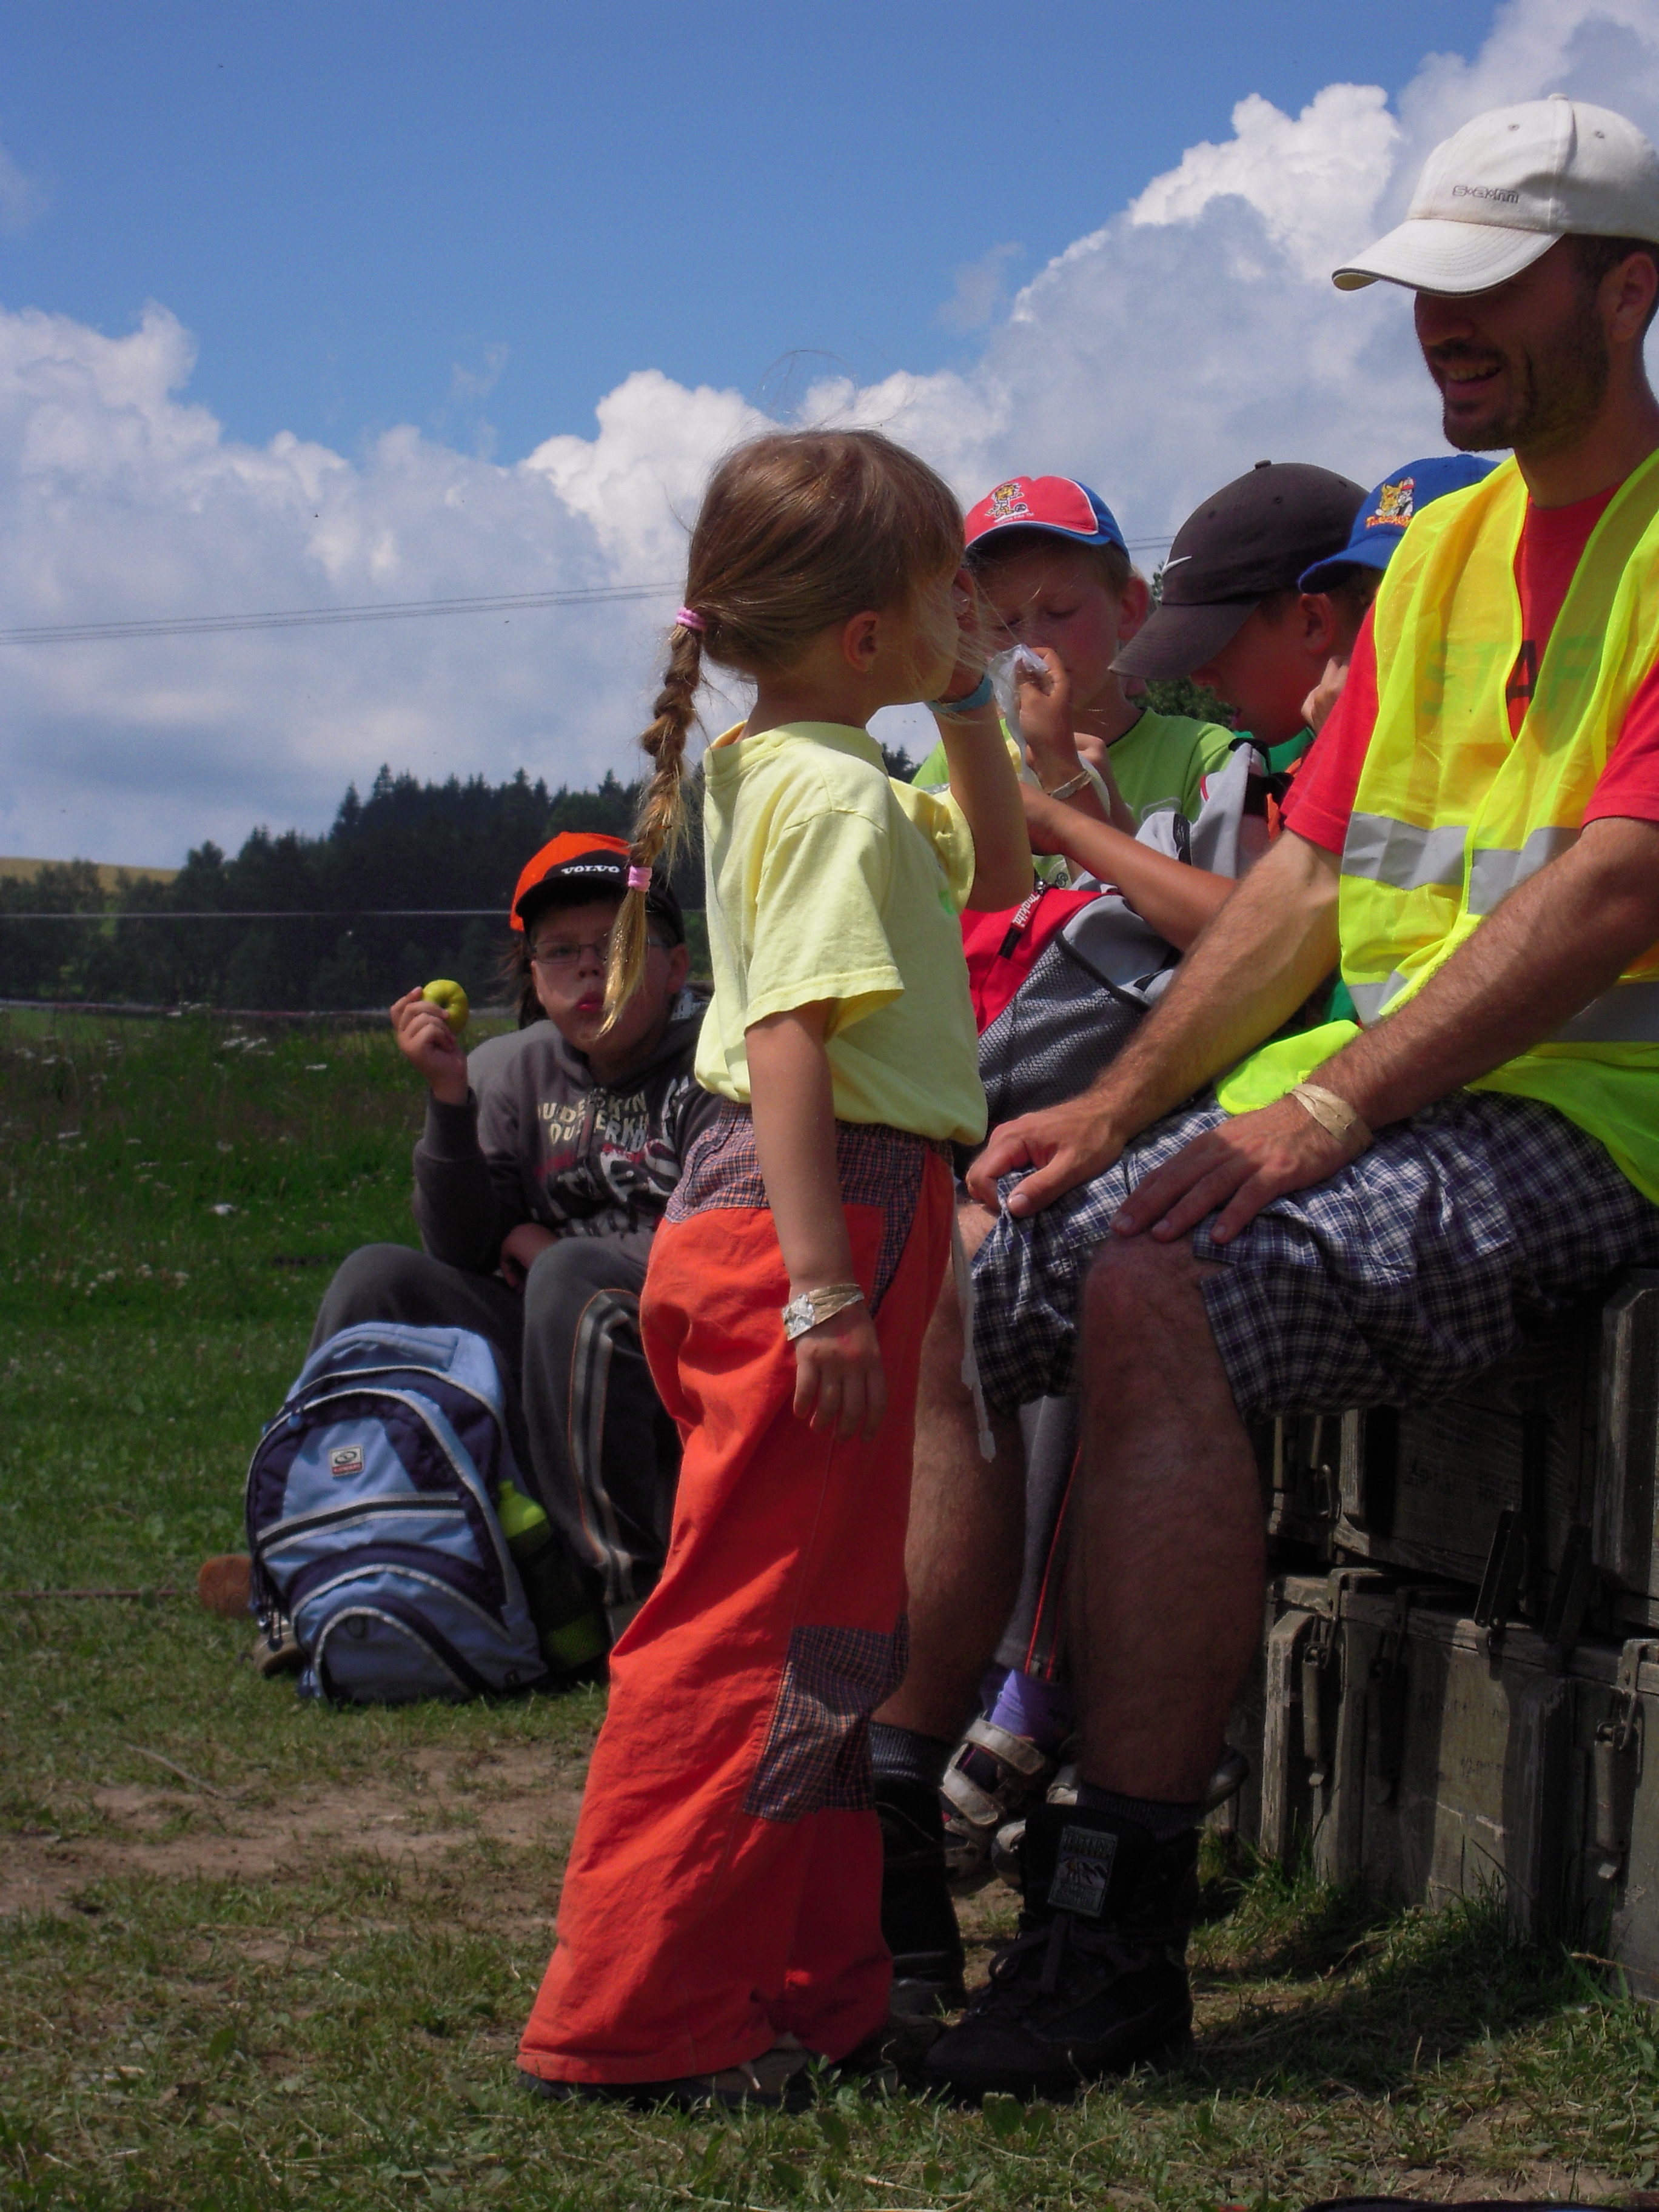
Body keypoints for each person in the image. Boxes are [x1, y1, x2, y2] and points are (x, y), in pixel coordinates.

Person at [903, 95, 1659, 2103]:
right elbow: (1306, 882)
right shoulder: (1444, 552)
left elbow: (1615, 889)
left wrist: (1317, 1118)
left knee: (1155, 1287)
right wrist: (1119, 1105)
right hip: (1375, 1094)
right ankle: (883, 1828)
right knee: (975, 1257)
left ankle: (1111, 1918)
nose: (1441, 325)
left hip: (1592, 1108)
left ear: (1628, 291)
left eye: (1489, 286)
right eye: (1424, 289)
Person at [514, 427, 1031, 2108]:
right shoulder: (822, 792)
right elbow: (795, 1040)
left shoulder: (791, 764)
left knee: (829, 1636)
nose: (970, 613)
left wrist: (968, 697)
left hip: (808, 1218)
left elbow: (1000, 874)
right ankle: (634, 2023)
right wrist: (821, 1290)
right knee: (745, 1636)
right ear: (867, 631)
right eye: (948, 592)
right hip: (821, 1220)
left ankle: (814, 1991)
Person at [312, 831, 717, 1669]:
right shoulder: (513, 1069)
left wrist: (547, 1245)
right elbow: (460, 1248)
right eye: (560, 951)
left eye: (616, 946)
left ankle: (615, 1597)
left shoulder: (724, 1061)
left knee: (569, 1276)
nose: (588, 970)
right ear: (534, 977)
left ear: (675, 967)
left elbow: (721, 1235)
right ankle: (342, 1547)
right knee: (375, 1281)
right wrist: (448, 1098)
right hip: (545, 1340)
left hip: (681, 1346)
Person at [910, 475, 1237, 826]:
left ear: (1127, 609)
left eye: (1059, 612)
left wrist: (1069, 779)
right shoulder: (964, 755)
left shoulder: (1203, 757)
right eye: (1004, 624)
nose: (1032, 645)